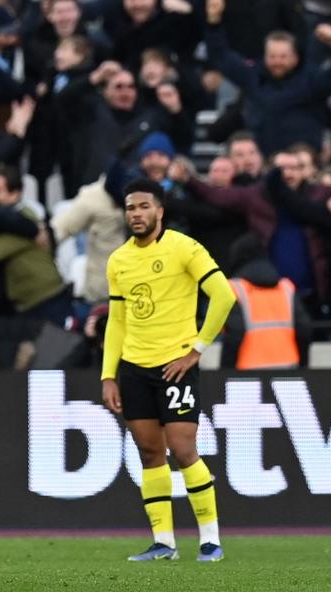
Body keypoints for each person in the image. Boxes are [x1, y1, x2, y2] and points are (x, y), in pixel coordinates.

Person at [101, 178, 236, 562]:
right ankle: (164, 542)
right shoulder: (119, 260)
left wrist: (197, 351)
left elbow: (224, 295)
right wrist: (108, 375)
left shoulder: (183, 247)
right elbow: (117, 321)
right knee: (149, 452)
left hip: (175, 364)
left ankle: (210, 540)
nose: (136, 214)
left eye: (144, 206)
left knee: (183, 449)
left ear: (160, 211)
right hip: (134, 367)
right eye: (130, 207)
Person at [220, 233, 310, 369]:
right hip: (287, 373)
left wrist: (224, 371)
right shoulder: (286, 287)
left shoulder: (234, 289)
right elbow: (303, 329)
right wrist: (303, 365)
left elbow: (235, 333)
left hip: (246, 375)